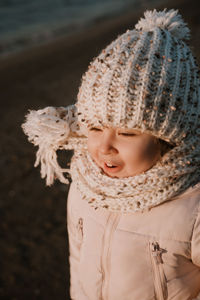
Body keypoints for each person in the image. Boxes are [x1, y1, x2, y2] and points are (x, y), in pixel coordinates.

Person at [22, 8, 200, 300]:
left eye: (128, 133)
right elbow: (77, 257)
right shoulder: (84, 184)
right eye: (93, 128)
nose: (104, 147)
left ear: (169, 137)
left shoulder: (192, 205)